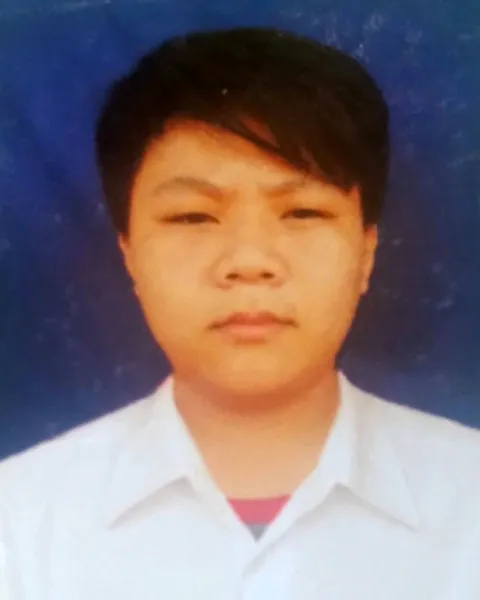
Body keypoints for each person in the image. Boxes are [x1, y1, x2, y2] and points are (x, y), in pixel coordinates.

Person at [1, 26, 479, 600]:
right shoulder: (20, 522)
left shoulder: (468, 499)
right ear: (128, 253)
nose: (250, 261)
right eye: (193, 217)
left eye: (302, 213)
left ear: (366, 253)